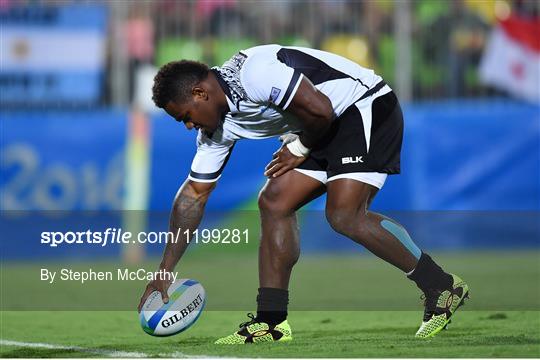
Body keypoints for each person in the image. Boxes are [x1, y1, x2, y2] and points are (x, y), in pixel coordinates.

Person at [138, 44, 469, 343]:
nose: (188, 126)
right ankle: (271, 322)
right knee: (274, 202)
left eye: (185, 117)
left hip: (363, 107)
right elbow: (193, 195)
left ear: (200, 93)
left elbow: (321, 109)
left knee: (344, 216)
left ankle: (441, 286)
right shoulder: (216, 130)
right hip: (314, 126)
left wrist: (299, 146)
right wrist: (164, 271)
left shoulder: (255, 72)